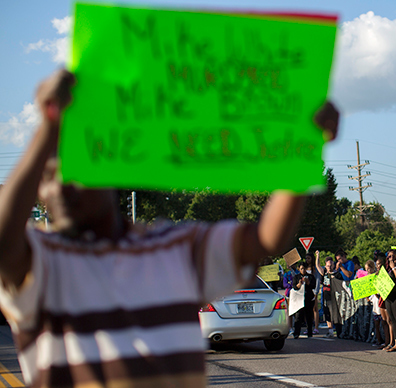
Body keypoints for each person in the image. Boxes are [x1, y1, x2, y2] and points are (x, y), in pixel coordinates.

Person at [0, 70, 339, 387]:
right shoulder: (40, 263)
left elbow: (267, 238)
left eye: (74, 169)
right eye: (45, 176)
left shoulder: (176, 246)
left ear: (109, 169)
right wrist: (47, 127)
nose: (60, 186)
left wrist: (302, 148)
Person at [292, 262, 318, 339]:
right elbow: (294, 287)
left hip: (308, 298)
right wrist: (299, 284)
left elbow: (313, 286)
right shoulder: (296, 277)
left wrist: (308, 282)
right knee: (298, 316)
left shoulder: (310, 276)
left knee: (309, 316)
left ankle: (309, 332)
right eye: (301, 269)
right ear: (299, 269)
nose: (303, 270)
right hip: (299, 299)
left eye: (304, 268)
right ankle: (296, 333)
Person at [314, 251, 336, 338]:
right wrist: (318, 256)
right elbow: (317, 266)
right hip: (326, 297)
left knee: (334, 314)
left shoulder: (336, 274)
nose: (329, 267)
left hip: (334, 297)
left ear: (333, 265)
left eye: (331, 266)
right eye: (327, 266)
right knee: (327, 314)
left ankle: (336, 329)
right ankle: (330, 331)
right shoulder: (324, 273)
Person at [304, 252, 321, 335]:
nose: (307, 260)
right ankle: (309, 327)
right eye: (306, 258)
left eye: (309, 258)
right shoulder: (305, 267)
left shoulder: (315, 269)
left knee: (315, 308)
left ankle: (316, 327)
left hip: (313, 290)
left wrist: (316, 291)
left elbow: (318, 279)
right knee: (307, 310)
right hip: (306, 291)